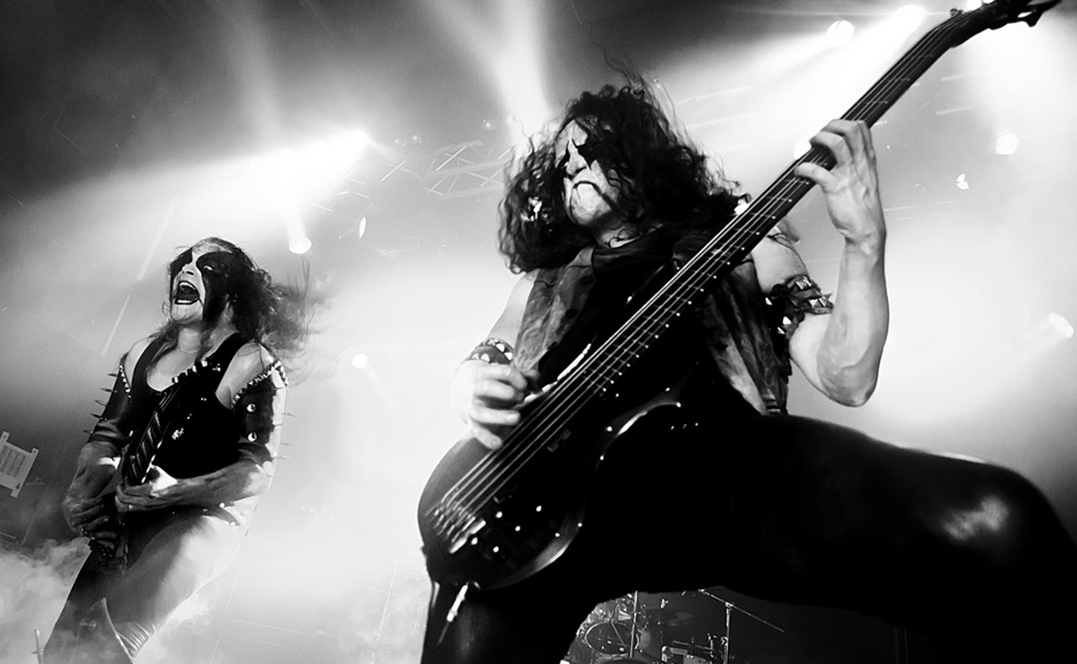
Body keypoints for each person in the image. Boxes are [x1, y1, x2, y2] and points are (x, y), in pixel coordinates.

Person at [418, 79, 1077, 664]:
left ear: (640, 157)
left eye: (590, 151)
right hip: (555, 507)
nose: (573, 168)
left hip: (728, 477)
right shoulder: (542, 284)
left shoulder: (742, 242)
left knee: (996, 523)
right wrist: (470, 386)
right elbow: (484, 360)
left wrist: (864, 241)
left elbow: (846, 376)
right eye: (563, 164)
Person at [45, 237, 310, 663]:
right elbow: (107, 438)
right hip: (131, 517)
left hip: (204, 524)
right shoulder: (142, 356)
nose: (187, 269)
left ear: (233, 294)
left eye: (207, 267)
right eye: (184, 263)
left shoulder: (250, 362)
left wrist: (177, 490)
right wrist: (82, 489)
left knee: (104, 638)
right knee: (62, 647)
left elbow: (257, 472)